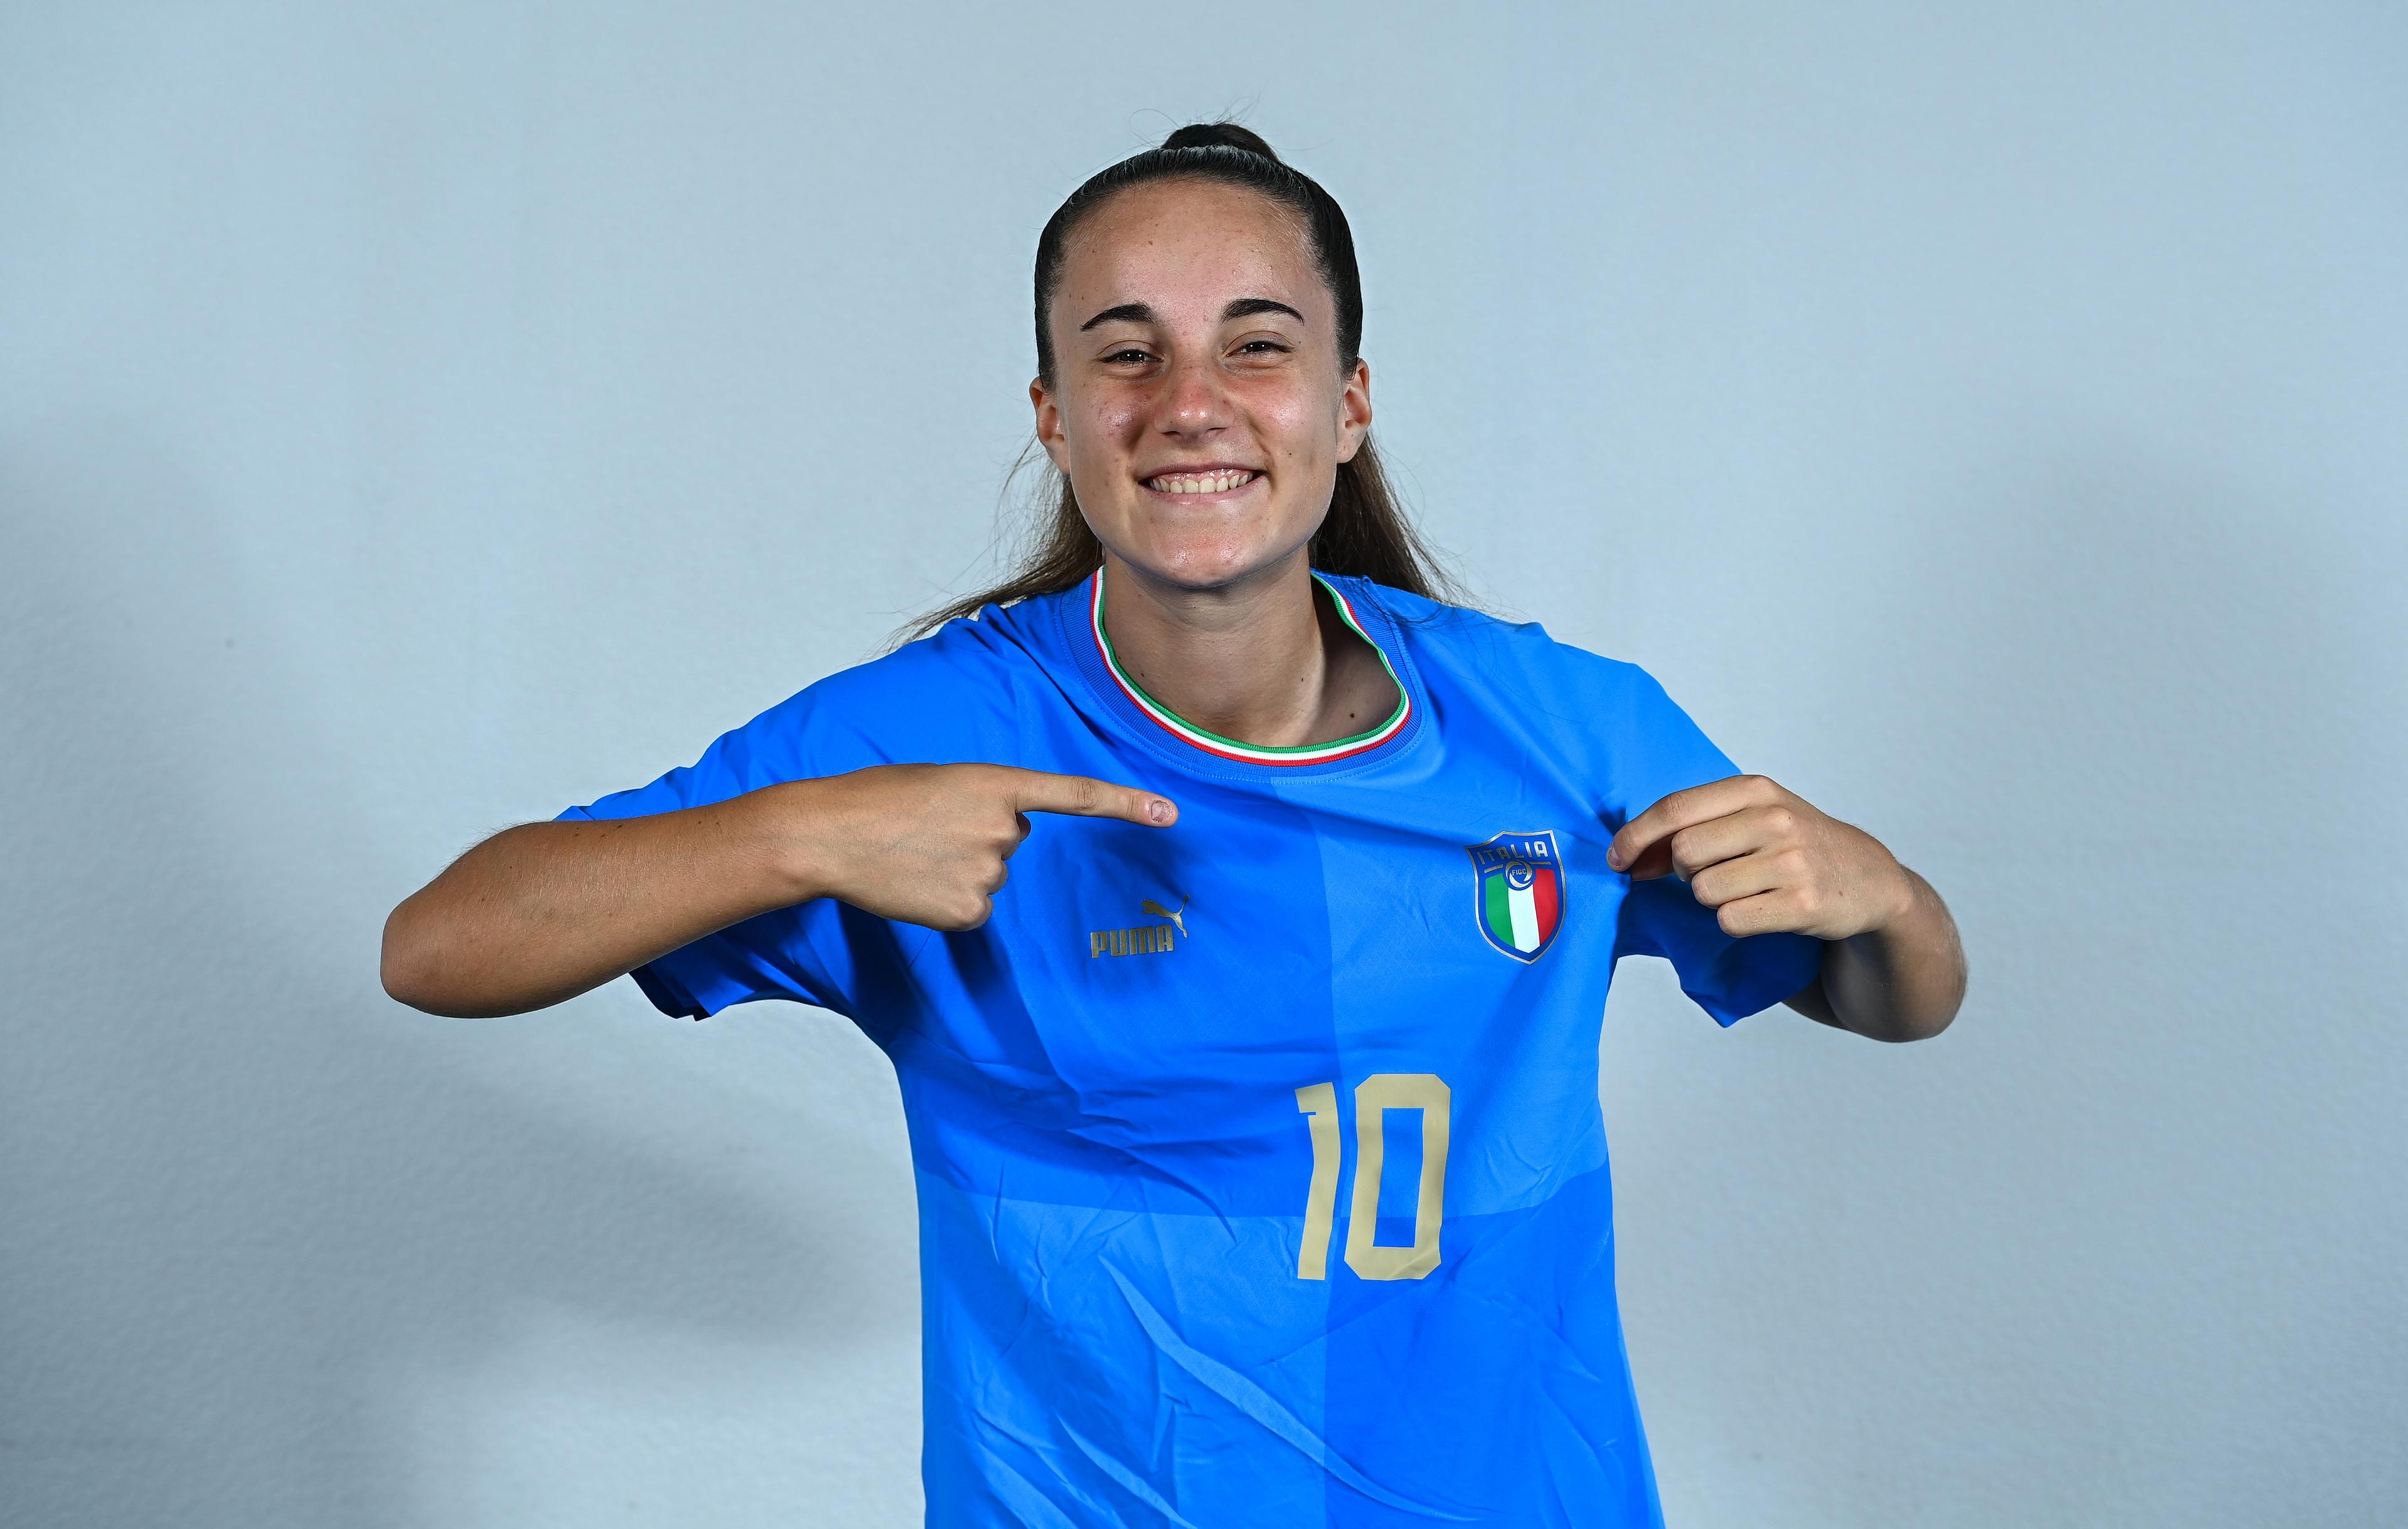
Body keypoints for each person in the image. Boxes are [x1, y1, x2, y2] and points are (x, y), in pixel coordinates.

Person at [383, 122, 1965, 1527]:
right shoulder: (932, 733)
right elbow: (440, 943)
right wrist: (794, 838)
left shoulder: (1561, 726)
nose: (1190, 403)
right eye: (1124, 353)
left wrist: (1885, 897)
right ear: (1055, 416)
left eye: (1256, 346)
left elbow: (1896, 999)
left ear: (1347, 405)